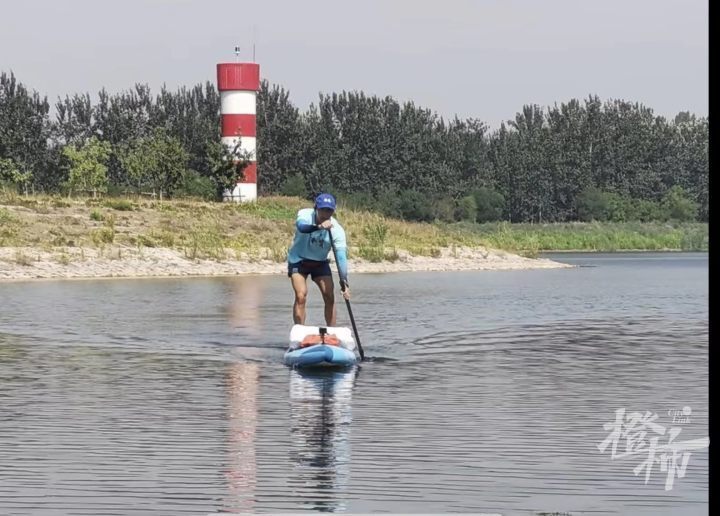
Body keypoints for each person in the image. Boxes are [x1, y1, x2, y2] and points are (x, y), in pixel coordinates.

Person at [287, 192, 350, 326]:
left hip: (320, 262)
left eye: (329, 210)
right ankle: (300, 331)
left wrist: (344, 281)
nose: (326, 214)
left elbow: (341, 257)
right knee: (301, 295)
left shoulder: (337, 230)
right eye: (322, 210)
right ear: (316, 208)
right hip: (299, 260)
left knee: (329, 296)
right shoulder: (305, 214)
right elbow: (301, 227)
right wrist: (319, 227)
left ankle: (331, 332)